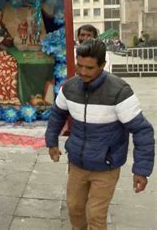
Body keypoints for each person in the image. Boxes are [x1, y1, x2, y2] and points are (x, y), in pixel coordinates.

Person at [45, 39, 155, 229]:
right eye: (79, 66)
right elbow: (57, 114)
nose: (83, 72)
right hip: (77, 163)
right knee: (74, 208)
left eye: (89, 67)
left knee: (96, 215)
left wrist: (141, 170)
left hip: (106, 166)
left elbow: (142, 130)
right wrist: (51, 142)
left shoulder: (119, 92)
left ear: (103, 65)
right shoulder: (69, 88)